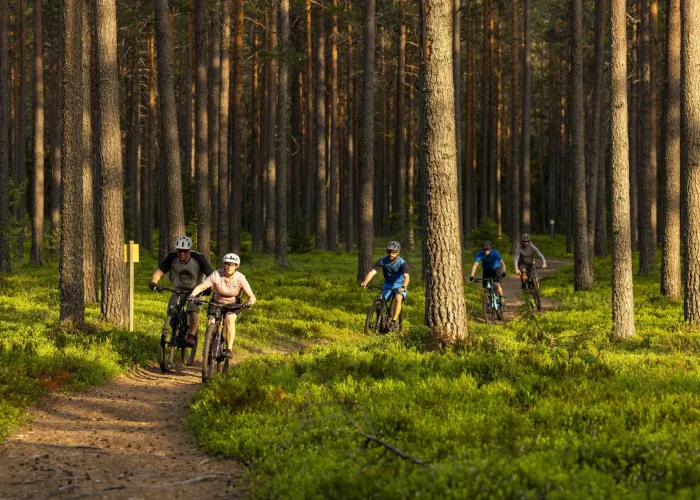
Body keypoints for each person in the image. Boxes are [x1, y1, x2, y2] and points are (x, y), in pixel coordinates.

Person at [149, 236, 214, 354]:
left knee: (193, 309)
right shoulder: (172, 258)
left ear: (189, 251)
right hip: (179, 288)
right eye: (179, 251)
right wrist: (154, 282)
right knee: (172, 310)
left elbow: (211, 275)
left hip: (197, 289)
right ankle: (177, 328)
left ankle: (192, 335)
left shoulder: (198, 258)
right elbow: (159, 272)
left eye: (185, 251)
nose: (182, 253)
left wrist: (209, 288)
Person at [188, 253, 256, 360]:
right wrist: (192, 295)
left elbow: (251, 296)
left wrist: (249, 302)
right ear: (224, 264)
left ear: (236, 266)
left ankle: (228, 349)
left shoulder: (240, 278)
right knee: (210, 322)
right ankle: (209, 348)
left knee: (229, 320)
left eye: (232, 264)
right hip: (216, 301)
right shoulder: (216, 274)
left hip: (233, 304)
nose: (229, 266)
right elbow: (202, 286)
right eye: (227, 264)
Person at [360, 241, 410, 332]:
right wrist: (365, 282)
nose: (391, 254)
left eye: (393, 252)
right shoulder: (382, 261)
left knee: (398, 299)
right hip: (388, 284)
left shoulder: (403, 263)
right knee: (380, 302)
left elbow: (406, 277)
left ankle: (393, 321)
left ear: (398, 252)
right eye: (389, 251)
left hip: (400, 285)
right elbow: (372, 272)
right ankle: (380, 323)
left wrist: (403, 286)